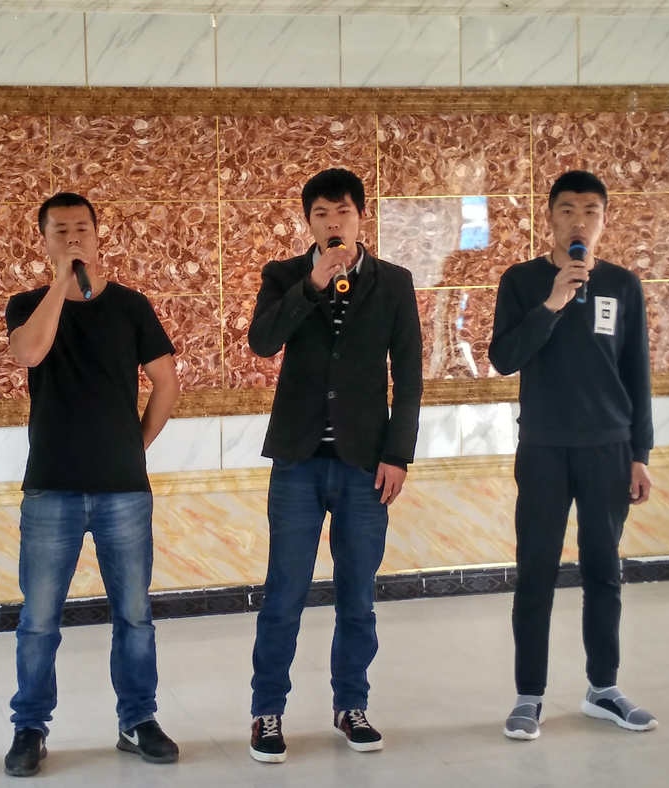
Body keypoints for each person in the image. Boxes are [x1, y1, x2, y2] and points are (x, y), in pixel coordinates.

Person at [246, 168, 423, 762]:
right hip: (298, 460)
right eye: (320, 214)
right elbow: (262, 342)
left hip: (364, 464)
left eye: (342, 211)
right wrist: (312, 285)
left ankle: (352, 705)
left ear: (360, 217)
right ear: (309, 222)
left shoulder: (394, 283)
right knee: (284, 593)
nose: (332, 222)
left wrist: (397, 454)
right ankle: (267, 712)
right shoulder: (285, 276)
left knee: (357, 596)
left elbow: (409, 377)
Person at [2, 192, 182, 777]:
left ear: (99, 235)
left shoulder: (131, 307)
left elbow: (166, 383)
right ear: (44, 240)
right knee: (39, 619)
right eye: (60, 230)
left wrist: (135, 445)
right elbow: (28, 354)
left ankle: (138, 719)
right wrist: (62, 283)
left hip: (122, 489)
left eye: (82, 228)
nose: (73, 237)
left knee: (134, 614)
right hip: (51, 486)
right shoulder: (27, 304)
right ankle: (30, 726)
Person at [489, 169, 657, 741]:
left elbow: (636, 373)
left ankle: (603, 689)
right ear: (550, 217)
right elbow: (504, 358)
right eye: (567, 210)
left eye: (590, 211)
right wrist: (554, 302)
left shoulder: (623, 285)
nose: (578, 220)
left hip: (609, 448)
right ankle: (528, 696)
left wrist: (640, 453)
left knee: (604, 571)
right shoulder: (521, 281)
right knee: (535, 573)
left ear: (604, 219)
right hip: (543, 447)